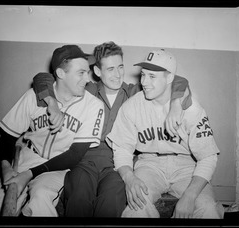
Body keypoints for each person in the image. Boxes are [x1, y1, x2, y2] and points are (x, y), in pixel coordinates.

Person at [32, 41, 192, 217]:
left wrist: (176, 104)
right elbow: (42, 78)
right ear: (98, 72)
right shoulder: (87, 90)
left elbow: (178, 80)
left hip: (118, 163)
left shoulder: (136, 93)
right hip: (84, 160)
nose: (118, 75)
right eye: (110, 69)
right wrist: (51, 102)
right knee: (78, 198)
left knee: (111, 203)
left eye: (120, 67)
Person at [0, 45, 105, 217]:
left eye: (88, 72)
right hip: (27, 157)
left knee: (40, 199)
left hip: (59, 165)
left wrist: (28, 175)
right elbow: (7, 138)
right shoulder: (34, 96)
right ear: (61, 74)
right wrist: (5, 167)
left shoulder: (93, 105)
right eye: (81, 72)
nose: (87, 78)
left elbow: (75, 155)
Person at [106, 49, 224, 218]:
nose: (145, 82)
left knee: (207, 209)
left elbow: (208, 157)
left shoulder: (191, 109)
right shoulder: (132, 106)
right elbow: (122, 149)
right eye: (143, 75)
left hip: (187, 167)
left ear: (169, 78)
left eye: (152, 76)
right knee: (136, 208)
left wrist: (190, 196)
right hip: (149, 165)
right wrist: (129, 178)